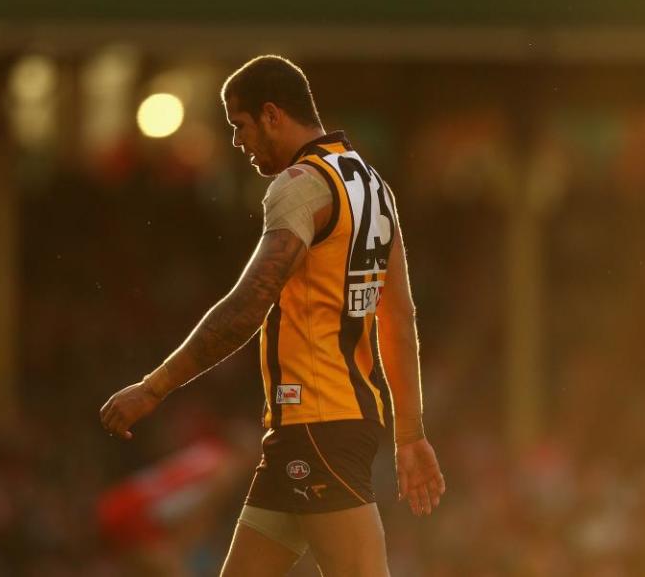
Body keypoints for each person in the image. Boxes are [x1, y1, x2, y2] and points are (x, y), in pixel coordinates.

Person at [101, 55, 445, 577]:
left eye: (240, 127)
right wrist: (409, 433)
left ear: (271, 114)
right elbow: (398, 316)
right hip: (316, 427)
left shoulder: (301, 184)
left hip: (318, 422)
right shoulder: (372, 186)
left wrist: (155, 387)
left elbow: (248, 305)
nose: (239, 143)